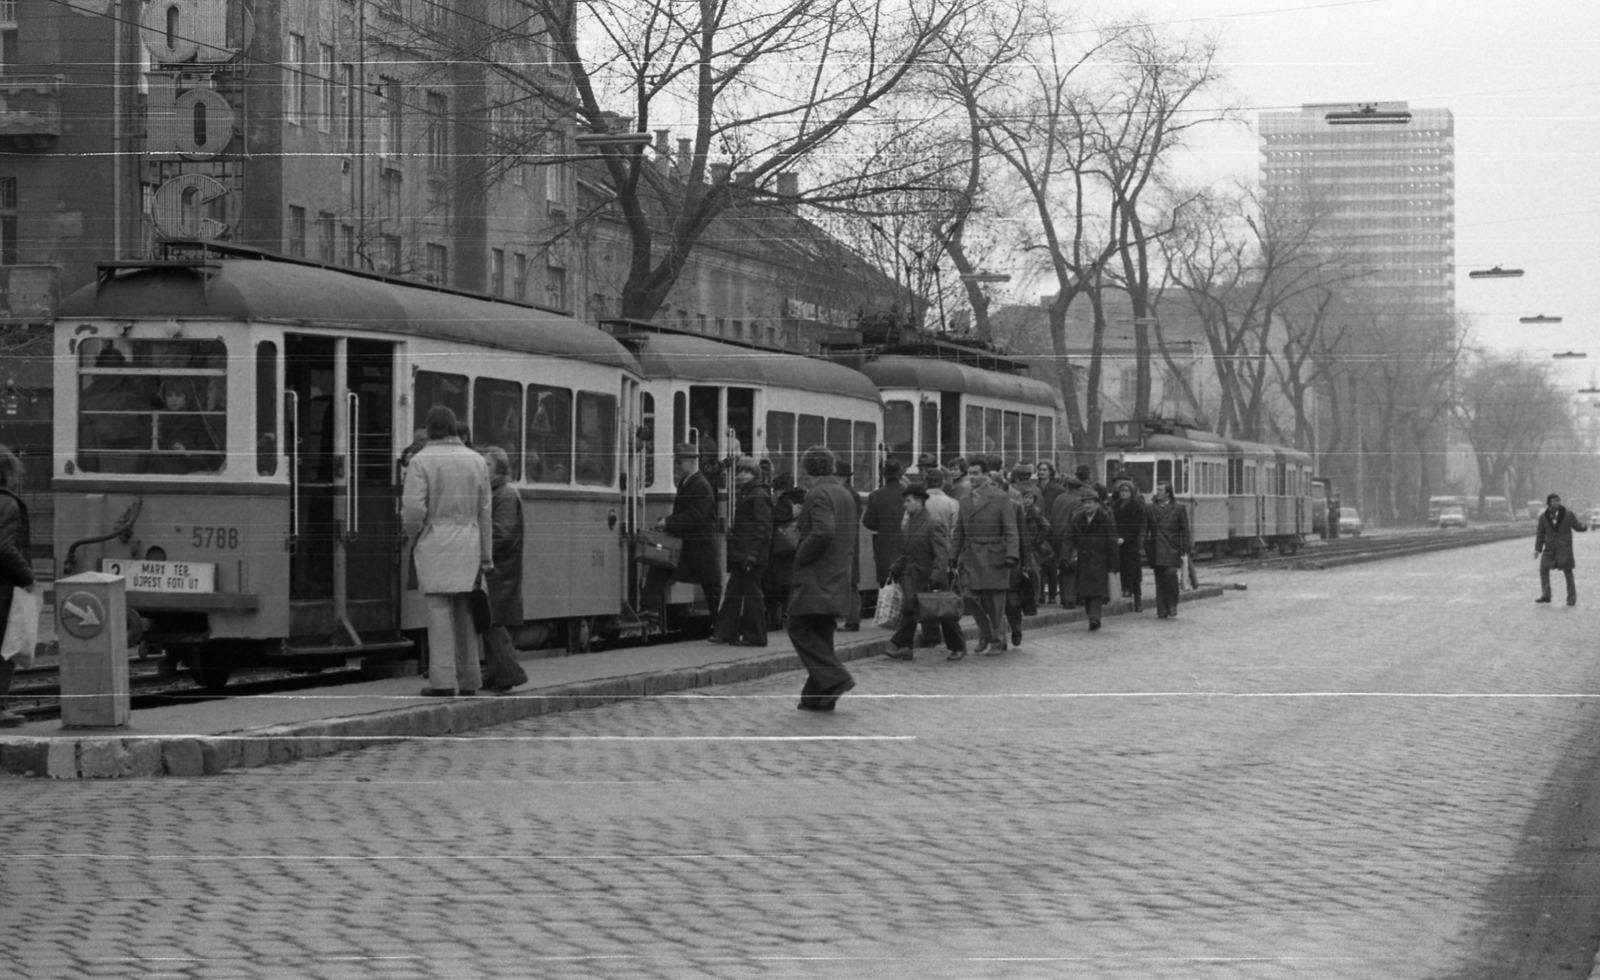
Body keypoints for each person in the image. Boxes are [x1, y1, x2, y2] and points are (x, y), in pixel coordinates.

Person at [403, 405, 494, 697]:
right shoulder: (477, 461)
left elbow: (414, 509)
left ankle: (442, 681)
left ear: (430, 429)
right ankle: (470, 680)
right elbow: (485, 512)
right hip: (469, 540)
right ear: (454, 427)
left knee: (439, 611)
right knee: (465, 611)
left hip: (434, 540)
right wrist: (486, 554)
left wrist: (413, 535)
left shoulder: (421, 461)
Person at [787, 446, 859, 711]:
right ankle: (819, 696)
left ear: (807, 470)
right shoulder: (844, 493)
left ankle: (836, 678)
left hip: (817, 574)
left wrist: (801, 555)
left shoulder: (817, 493)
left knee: (799, 627)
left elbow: (824, 531)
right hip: (838, 571)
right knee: (821, 631)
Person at [643, 443, 722, 634]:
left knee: (712, 587)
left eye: (680, 462)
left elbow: (695, 516)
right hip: (690, 545)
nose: (676, 466)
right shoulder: (690, 482)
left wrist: (668, 522)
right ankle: (649, 610)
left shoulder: (700, 485)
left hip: (700, 546)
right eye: (676, 461)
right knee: (660, 567)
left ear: (693, 461)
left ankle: (722, 625)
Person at [885, 484, 966, 660]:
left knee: (944, 614)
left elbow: (941, 554)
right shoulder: (909, 524)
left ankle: (958, 646)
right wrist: (895, 567)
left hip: (929, 577)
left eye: (908, 501)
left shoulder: (933, 523)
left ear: (920, 502)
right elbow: (906, 553)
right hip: (912, 576)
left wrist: (936, 577)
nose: (904, 505)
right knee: (909, 611)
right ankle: (904, 647)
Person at [950, 456, 1018, 655]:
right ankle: (986, 633)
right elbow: (959, 532)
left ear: (986, 475)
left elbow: (1011, 529)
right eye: (970, 474)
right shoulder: (964, 500)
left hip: (994, 555)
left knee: (995, 602)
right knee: (969, 598)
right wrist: (952, 556)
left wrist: (1012, 555)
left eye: (976, 474)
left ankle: (997, 640)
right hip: (971, 557)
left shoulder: (1000, 498)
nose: (972, 477)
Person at [479, 446, 529, 694]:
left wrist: (480, 551)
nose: (482, 470)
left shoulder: (505, 494)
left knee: (493, 622)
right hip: (501, 570)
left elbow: (502, 533)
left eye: (487, 465)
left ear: (500, 468)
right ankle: (496, 674)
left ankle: (509, 673)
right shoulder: (499, 492)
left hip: (501, 571)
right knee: (490, 622)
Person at [712, 457, 773, 647]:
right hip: (743, 553)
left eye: (746, 472)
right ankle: (727, 632)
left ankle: (753, 636)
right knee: (734, 592)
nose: (740, 476)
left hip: (750, 554)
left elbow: (763, 527)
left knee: (750, 595)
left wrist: (753, 553)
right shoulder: (749, 493)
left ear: (754, 474)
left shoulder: (756, 494)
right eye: (738, 472)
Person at [0, 448, 34, 727]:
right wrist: (27, 576)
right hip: (3, 587)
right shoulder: (7, 505)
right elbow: (4, 547)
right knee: (5, 648)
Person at [1066, 492, 1119, 631]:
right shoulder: (1077, 519)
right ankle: (1091, 614)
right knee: (1085, 591)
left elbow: (1112, 541)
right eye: (1085, 503)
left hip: (1099, 559)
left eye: (1090, 502)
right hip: (1082, 560)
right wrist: (1065, 556)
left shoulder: (1105, 519)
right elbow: (1069, 538)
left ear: (1097, 504)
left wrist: (1114, 563)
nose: (1087, 505)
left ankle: (1094, 618)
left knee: (1097, 591)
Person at [763, 474, 804, 631]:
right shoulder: (799, 499)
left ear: (781, 490)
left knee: (774, 587)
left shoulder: (783, 502)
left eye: (776, 490)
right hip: (792, 549)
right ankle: (788, 618)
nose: (774, 493)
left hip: (780, 550)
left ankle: (774, 621)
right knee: (788, 586)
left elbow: (773, 518)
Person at [1145, 481, 1191, 619]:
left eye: (1160, 490)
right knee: (1159, 580)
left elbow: (1185, 530)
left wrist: (1185, 549)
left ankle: (1172, 604)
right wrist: (1141, 546)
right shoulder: (1149, 508)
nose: (1157, 492)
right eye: (1157, 489)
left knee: (1170, 575)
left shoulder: (1178, 507)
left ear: (1168, 493)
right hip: (1156, 548)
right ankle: (1162, 609)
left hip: (1172, 548)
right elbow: (1144, 528)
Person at [1535, 492, 1588, 606]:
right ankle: (1546, 595)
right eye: (1554, 501)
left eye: (1558, 501)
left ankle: (1571, 598)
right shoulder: (1543, 517)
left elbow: (1577, 526)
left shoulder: (1567, 514)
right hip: (1550, 549)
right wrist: (1537, 549)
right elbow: (1540, 534)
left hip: (1564, 549)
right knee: (1543, 569)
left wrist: (1584, 526)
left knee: (1568, 572)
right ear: (1549, 503)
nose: (1556, 503)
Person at [862, 459, 908, 587]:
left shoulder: (876, 495)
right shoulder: (909, 494)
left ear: (884, 476)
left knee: (887, 587)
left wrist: (882, 526)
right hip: (906, 544)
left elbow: (868, 521)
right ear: (900, 476)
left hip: (884, 547)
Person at [1110, 479, 1149, 611]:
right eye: (1122, 491)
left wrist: (1125, 537)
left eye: (1126, 491)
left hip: (1131, 543)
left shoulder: (1136, 507)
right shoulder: (1115, 505)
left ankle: (1137, 599)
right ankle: (1123, 590)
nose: (1124, 493)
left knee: (1133, 571)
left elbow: (1136, 526)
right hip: (1117, 542)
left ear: (1131, 492)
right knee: (1120, 568)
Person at [835, 460, 864, 631]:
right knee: (850, 581)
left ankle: (852, 620)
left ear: (843, 477)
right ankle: (851, 619)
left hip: (846, 543)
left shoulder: (846, 494)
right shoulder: (852, 493)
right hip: (851, 541)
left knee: (848, 581)